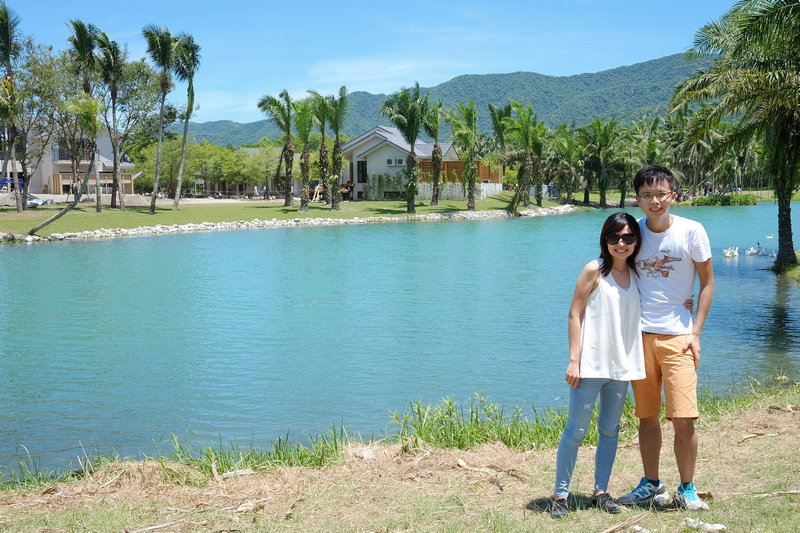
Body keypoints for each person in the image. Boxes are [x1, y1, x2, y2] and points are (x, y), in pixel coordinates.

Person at [618, 164, 714, 511]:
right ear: (638, 199)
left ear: (673, 195)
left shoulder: (692, 231)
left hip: (679, 338)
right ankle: (651, 485)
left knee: (684, 418)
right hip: (640, 337)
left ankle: (687, 488)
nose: (654, 201)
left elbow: (707, 283)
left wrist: (696, 333)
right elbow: (615, 270)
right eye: (646, 195)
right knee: (647, 416)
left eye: (660, 193)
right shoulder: (634, 233)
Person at [551, 212, 645, 519]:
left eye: (628, 237)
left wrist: (686, 302)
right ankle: (560, 496)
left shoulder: (636, 273)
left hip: (621, 368)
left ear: (635, 241)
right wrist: (574, 360)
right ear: (605, 239)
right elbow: (574, 314)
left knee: (609, 431)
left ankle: (601, 491)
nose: (621, 243)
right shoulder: (595, 270)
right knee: (576, 431)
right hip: (590, 367)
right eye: (614, 237)